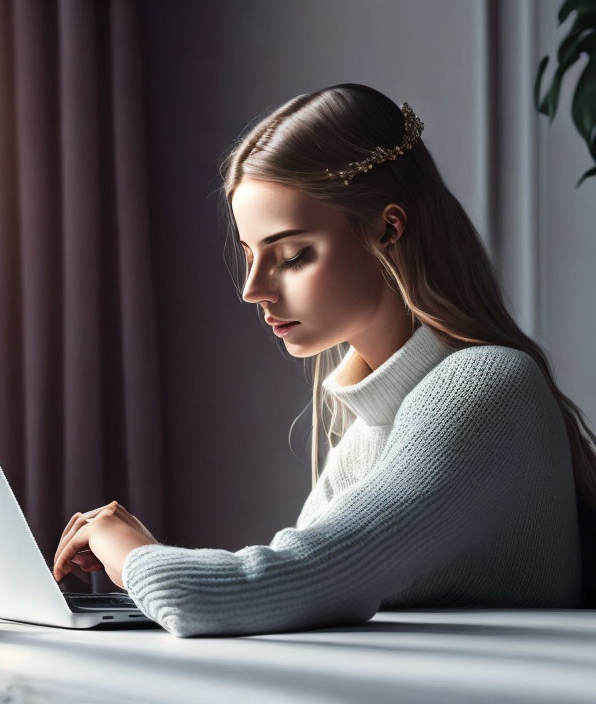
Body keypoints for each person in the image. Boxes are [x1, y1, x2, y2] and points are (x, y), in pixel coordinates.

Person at [51, 83, 596, 638]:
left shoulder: (487, 386)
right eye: (249, 255)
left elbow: (268, 587)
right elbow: (287, 597)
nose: (252, 289)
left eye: (292, 255)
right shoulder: (369, 437)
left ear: (388, 229)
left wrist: (133, 553)